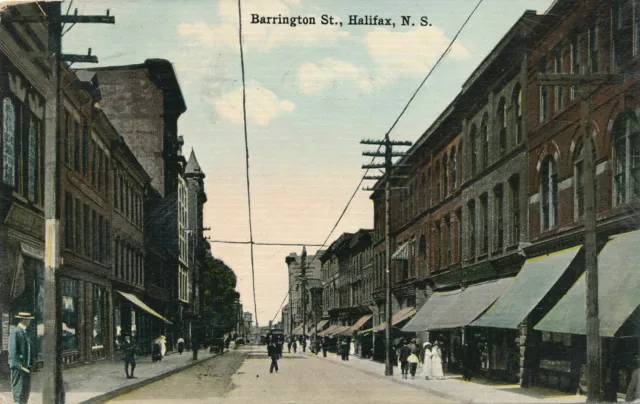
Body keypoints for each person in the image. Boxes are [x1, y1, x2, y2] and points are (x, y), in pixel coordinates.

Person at [9, 312, 34, 404]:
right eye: (29, 320)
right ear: (24, 320)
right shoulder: (16, 331)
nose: (30, 321)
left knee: (25, 390)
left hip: (26, 367)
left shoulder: (26, 331)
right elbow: (13, 350)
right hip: (19, 367)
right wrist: (18, 365)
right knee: (18, 390)